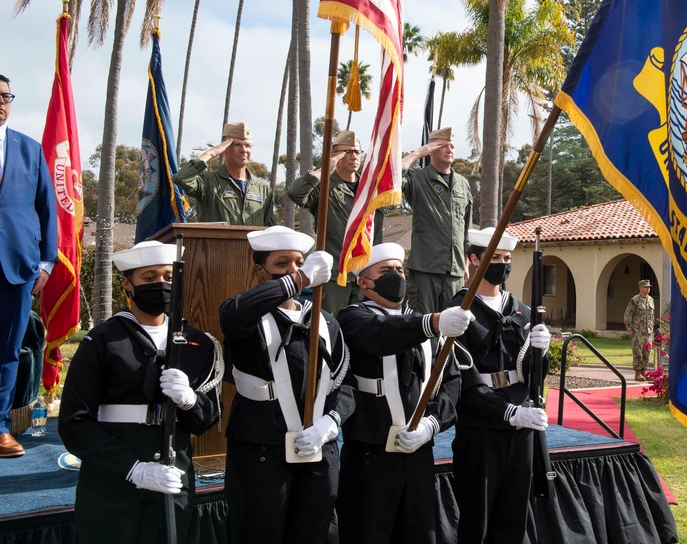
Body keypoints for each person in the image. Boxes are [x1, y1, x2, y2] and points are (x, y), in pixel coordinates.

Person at [59, 240, 222, 542]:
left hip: (173, 478)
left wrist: (189, 401)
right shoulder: (103, 341)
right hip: (113, 482)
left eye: (168, 276)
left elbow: (206, 419)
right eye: (149, 278)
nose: (160, 284)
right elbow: (74, 422)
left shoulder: (198, 343)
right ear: (127, 284)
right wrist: (133, 469)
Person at [220, 226, 353, 543]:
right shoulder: (245, 317)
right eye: (282, 264)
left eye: (299, 262)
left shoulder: (325, 321)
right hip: (262, 449)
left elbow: (345, 383)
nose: (294, 270)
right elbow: (234, 312)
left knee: (318, 534)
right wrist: (299, 279)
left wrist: (331, 423)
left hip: (318, 450)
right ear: (259, 270)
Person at [336, 242, 471, 544]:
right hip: (371, 457)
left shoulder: (421, 322)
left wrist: (431, 425)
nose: (395, 275)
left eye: (400, 269)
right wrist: (434, 322)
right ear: (363, 282)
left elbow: (449, 383)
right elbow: (380, 334)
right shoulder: (352, 318)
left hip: (418, 455)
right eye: (385, 271)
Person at [449, 228, 550, 544]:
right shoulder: (458, 312)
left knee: (513, 516)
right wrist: (506, 412)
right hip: (481, 426)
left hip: (521, 423)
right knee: (477, 519)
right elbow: (463, 380)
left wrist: (543, 352)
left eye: (507, 258)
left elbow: (534, 375)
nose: (503, 264)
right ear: (474, 260)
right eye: (495, 258)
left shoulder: (520, 310)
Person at [0, 73, 57, 459]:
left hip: (16, 268)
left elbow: (47, 209)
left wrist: (47, 262)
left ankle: (1, 427)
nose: (1, 102)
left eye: (6, 96)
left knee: (6, 351)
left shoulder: (30, 149)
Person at [287, 130, 384, 315]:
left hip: (366, 276)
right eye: (347, 152)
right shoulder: (324, 185)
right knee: (332, 331)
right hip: (335, 276)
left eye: (356, 151)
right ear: (335, 155)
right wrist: (327, 165)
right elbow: (296, 193)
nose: (353, 156)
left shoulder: (370, 188)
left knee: (363, 332)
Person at [400, 127, 473, 314]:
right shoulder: (417, 178)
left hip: (455, 272)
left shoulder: (462, 183)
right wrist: (418, 153)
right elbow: (393, 176)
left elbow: (466, 228)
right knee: (423, 325)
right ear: (431, 150)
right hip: (426, 268)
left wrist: (465, 263)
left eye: (452, 146)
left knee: (453, 328)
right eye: (443, 146)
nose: (449, 150)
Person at [173, 122, 275, 226]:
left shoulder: (263, 189)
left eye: (248, 146)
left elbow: (270, 229)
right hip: (215, 243)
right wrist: (211, 153)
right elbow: (181, 178)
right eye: (237, 145)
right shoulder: (208, 182)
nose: (244, 150)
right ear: (224, 148)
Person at [623, 279, 657, 382]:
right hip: (637, 331)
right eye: (646, 287)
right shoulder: (635, 300)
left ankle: (643, 372)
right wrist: (629, 328)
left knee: (647, 352)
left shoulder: (651, 300)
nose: (648, 289)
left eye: (649, 287)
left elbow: (651, 316)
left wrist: (652, 329)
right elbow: (627, 314)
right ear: (640, 288)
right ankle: (637, 373)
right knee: (637, 352)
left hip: (648, 331)